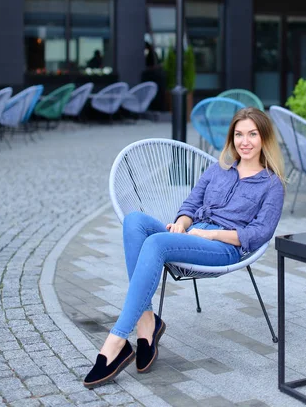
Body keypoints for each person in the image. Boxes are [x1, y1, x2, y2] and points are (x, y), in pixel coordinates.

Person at [83, 107, 285, 389]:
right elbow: (191, 203)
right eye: (239, 134)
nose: (245, 141)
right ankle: (146, 325)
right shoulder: (219, 170)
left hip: (223, 249)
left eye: (252, 134)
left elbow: (260, 233)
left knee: (155, 243)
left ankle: (115, 342)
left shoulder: (272, 184)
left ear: (264, 138)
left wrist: (213, 235)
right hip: (192, 235)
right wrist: (181, 222)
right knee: (135, 222)